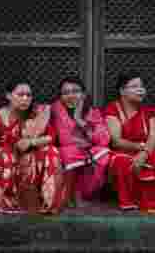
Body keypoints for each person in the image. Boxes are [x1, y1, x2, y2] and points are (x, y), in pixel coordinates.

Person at [105, 74, 155, 213]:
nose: (140, 90)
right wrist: (139, 148)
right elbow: (116, 140)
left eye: (141, 86)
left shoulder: (149, 111)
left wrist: (144, 153)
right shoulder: (113, 109)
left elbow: (154, 137)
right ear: (122, 91)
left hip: (147, 151)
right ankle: (134, 200)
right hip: (124, 151)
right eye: (134, 87)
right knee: (121, 162)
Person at [0, 81, 63, 214]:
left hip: (30, 163)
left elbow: (52, 137)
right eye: (20, 95)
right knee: (6, 154)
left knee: (52, 152)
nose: (25, 99)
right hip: (7, 166)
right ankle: (4, 203)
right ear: (8, 96)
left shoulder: (37, 114)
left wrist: (31, 142)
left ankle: (47, 204)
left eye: (28, 95)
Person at [48, 77, 111, 205]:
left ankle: (86, 195)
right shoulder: (55, 110)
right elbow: (66, 140)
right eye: (65, 93)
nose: (70, 95)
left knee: (102, 153)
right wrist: (87, 141)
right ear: (60, 96)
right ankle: (69, 196)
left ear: (83, 94)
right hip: (67, 154)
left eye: (75, 91)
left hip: (86, 153)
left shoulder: (93, 112)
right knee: (66, 153)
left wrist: (80, 120)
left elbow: (104, 139)